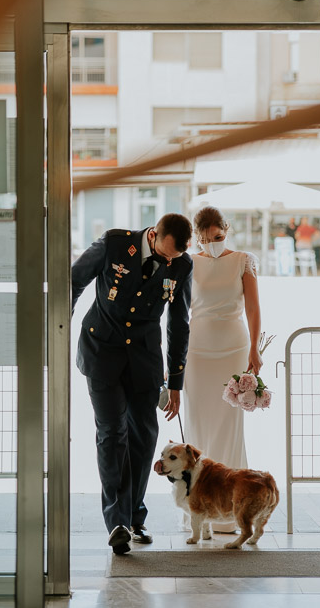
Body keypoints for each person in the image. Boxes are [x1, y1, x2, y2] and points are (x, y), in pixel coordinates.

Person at [71, 213, 193, 555]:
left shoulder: (183, 266)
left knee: (145, 436)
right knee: (113, 435)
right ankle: (118, 523)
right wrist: (58, 329)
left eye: (174, 259)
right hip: (102, 352)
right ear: (153, 235)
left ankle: (134, 515)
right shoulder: (113, 244)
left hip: (144, 359)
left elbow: (179, 324)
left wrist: (176, 382)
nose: (169, 263)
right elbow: (74, 281)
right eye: (165, 254)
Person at [183, 206, 263, 532]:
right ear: (195, 238)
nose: (210, 245)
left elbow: (254, 310)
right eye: (203, 240)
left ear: (226, 230)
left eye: (216, 238)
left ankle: (233, 507)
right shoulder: (187, 262)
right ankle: (199, 509)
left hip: (233, 349)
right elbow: (177, 311)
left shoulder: (243, 260)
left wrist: (255, 349)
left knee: (230, 426)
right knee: (198, 426)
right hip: (197, 353)